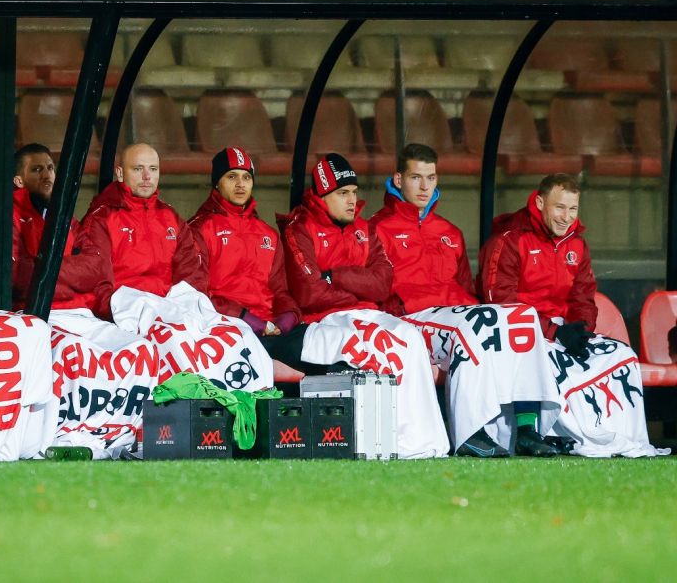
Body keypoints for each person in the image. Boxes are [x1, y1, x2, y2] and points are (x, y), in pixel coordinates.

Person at [370, 144, 562, 457]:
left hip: (455, 314)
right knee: (474, 325)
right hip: (409, 320)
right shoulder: (376, 228)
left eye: (430, 178)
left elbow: (465, 288)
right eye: (415, 178)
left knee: (521, 315)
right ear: (398, 178)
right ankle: (471, 433)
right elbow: (378, 292)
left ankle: (527, 429)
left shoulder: (450, 231)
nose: (424, 186)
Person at [480, 173, 664, 457]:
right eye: (559, 207)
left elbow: (584, 295)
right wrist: (554, 332)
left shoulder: (576, 243)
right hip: (520, 330)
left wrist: (581, 329)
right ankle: (531, 432)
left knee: (622, 355)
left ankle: (615, 433)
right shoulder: (510, 239)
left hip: (562, 329)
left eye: (573, 209)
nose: (567, 217)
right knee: (532, 349)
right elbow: (500, 302)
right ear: (540, 203)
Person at [280, 153, 449, 459]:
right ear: (322, 196)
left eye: (354, 192)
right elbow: (309, 293)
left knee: (411, 338)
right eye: (342, 193)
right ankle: (390, 439)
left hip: (372, 312)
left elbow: (383, 284)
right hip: (325, 319)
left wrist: (336, 277)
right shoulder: (299, 228)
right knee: (380, 343)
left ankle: (428, 443)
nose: (351, 200)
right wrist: (357, 290)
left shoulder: (365, 228)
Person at [174, 146, 299, 337]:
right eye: (232, 176)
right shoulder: (198, 229)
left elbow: (280, 290)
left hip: (272, 327)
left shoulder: (269, 234)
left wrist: (288, 317)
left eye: (246, 177)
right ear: (217, 183)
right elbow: (198, 296)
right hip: (224, 327)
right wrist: (247, 319)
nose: (241, 184)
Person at [54, 143, 185, 319]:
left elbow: (191, 274)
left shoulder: (171, 217)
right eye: (138, 169)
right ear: (120, 173)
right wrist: (117, 316)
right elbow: (98, 282)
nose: (147, 176)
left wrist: (183, 308)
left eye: (153, 169)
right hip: (126, 315)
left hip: (172, 310)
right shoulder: (101, 219)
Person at [0, 143, 78, 310]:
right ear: (19, 181)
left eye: (50, 168)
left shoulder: (66, 217)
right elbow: (18, 279)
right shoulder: (6, 217)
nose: (47, 175)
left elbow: (96, 271)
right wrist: (72, 276)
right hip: (34, 312)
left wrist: (49, 270)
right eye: (37, 170)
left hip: (79, 309)